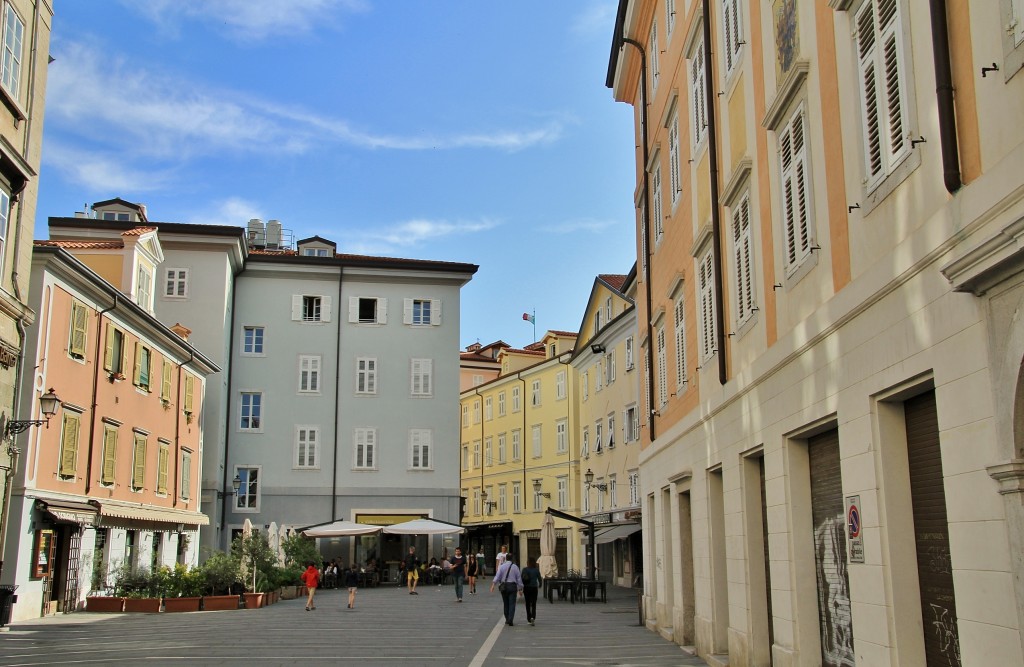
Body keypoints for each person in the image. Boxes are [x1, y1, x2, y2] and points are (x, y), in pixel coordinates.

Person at [489, 552, 523, 626]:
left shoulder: (502, 566)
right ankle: (510, 619)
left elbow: (497, 576)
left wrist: (493, 585)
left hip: (504, 586)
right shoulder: (515, 567)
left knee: (506, 603)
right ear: (512, 559)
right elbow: (519, 579)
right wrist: (520, 589)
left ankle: (507, 618)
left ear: (506, 558)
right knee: (512, 604)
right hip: (513, 586)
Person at [521, 557, 542, 625]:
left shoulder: (525, 569)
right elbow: (539, 579)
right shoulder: (536, 570)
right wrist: (540, 585)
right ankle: (533, 616)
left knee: (527, 603)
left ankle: (529, 618)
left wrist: (521, 588)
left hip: (526, 588)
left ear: (528, 562)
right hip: (534, 588)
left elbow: (521, 578)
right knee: (533, 603)